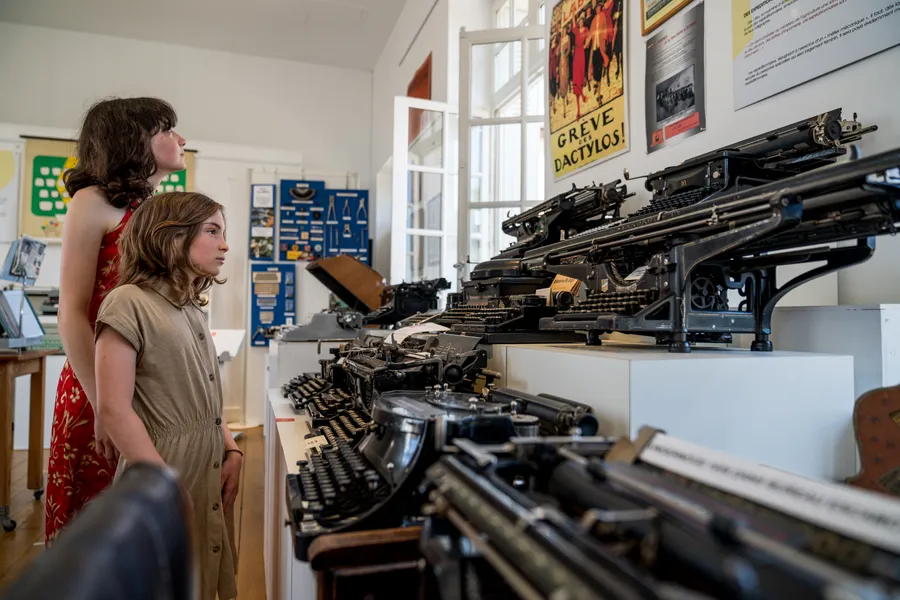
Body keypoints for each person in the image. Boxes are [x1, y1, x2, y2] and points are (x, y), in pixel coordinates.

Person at [46, 97, 186, 543]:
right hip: (99, 379)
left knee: (144, 516)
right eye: (168, 129)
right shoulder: (91, 201)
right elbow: (70, 313)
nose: (181, 140)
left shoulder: (151, 207)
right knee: (98, 527)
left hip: (148, 379)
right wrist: (104, 404)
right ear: (135, 139)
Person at [93, 191, 239, 600]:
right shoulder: (128, 303)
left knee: (204, 571)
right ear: (171, 237)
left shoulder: (191, 307)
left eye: (223, 232)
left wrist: (231, 447)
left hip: (206, 462)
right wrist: (164, 488)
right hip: (166, 467)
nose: (225, 244)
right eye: (212, 231)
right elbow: (114, 409)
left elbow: (207, 393)